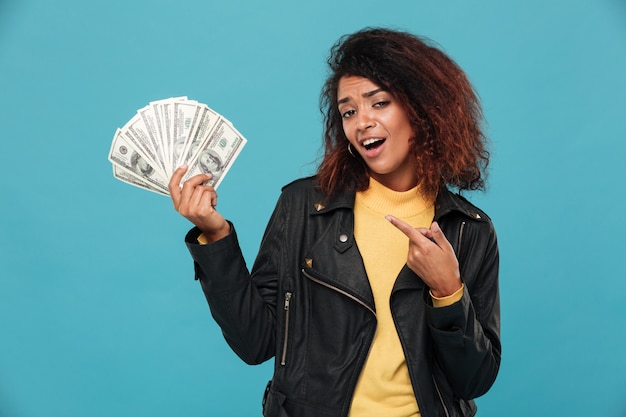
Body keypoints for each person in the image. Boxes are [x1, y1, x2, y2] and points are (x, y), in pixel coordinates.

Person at [169, 27, 500, 417]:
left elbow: (473, 380)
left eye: (379, 103)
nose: (362, 123)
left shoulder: (469, 228)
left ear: (423, 110)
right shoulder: (304, 207)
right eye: (349, 111)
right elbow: (254, 341)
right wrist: (215, 234)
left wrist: (448, 291)